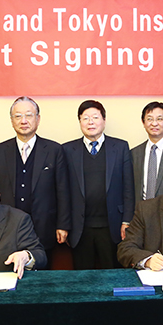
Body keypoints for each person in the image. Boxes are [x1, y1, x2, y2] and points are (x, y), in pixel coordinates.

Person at [0, 96, 71, 268]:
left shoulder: (54, 150)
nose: (23, 121)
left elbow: (63, 190)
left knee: (43, 278)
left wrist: (63, 225)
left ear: (38, 119)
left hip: (44, 228)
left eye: (29, 115)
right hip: (6, 229)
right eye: (17, 116)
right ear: (11, 121)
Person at [62, 100, 134, 269]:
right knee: (82, 278)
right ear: (79, 122)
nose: (90, 122)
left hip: (112, 226)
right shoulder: (67, 150)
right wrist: (63, 224)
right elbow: (62, 191)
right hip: (80, 227)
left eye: (95, 117)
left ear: (104, 120)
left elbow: (128, 187)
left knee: (113, 276)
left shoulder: (120, 147)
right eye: (85, 118)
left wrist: (127, 220)